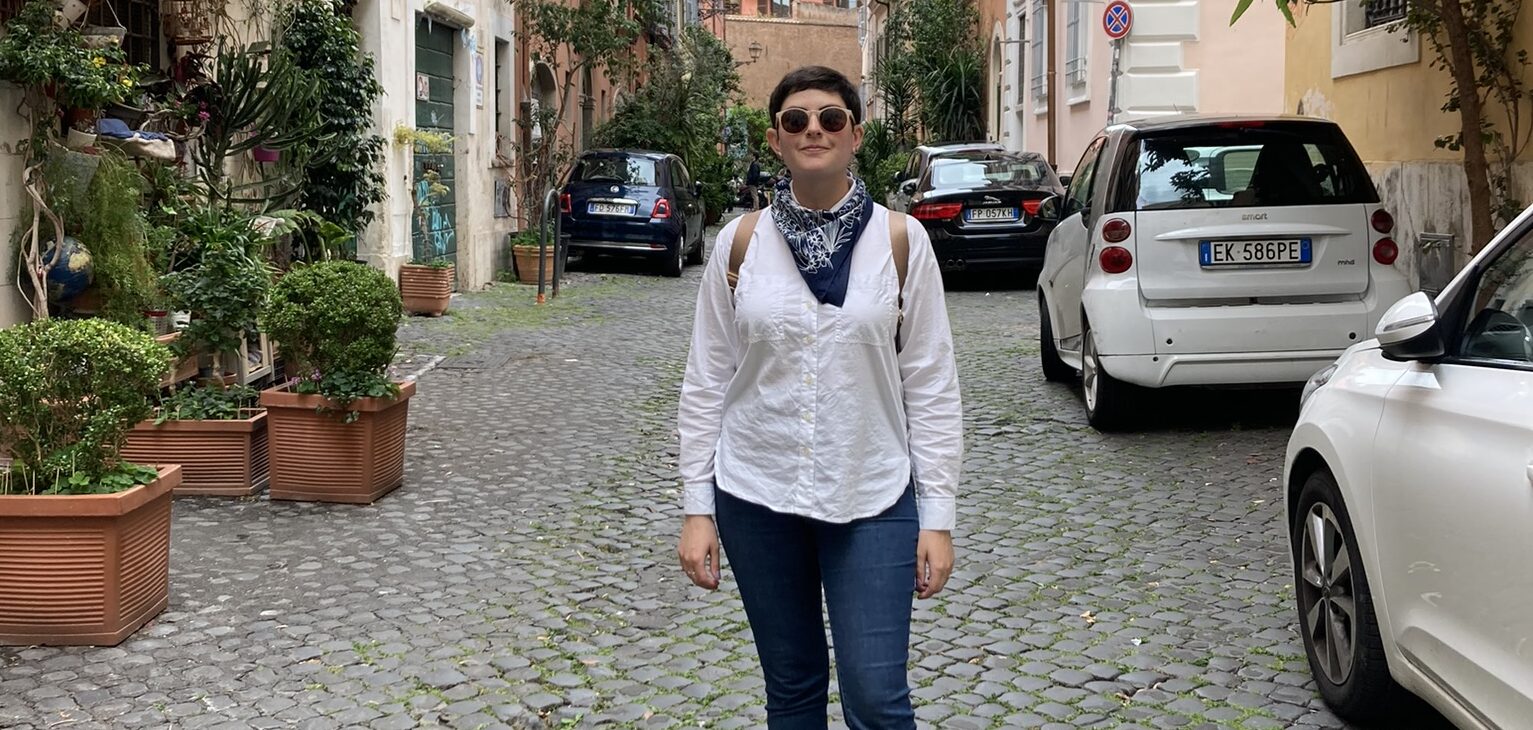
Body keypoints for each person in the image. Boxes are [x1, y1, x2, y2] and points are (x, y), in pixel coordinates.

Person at [676, 65, 964, 729]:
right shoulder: (740, 244)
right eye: (795, 120)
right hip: (756, 493)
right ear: (775, 140)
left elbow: (930, 381)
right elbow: (706, 379)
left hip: (872, 492)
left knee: (875, 697)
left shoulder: (900, 240)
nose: (813, 130)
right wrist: (697, 508)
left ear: (854, 134)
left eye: (830, 118)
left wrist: (938, 517)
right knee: (794, 691)